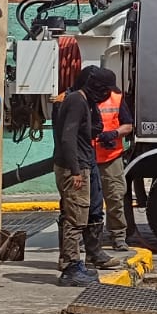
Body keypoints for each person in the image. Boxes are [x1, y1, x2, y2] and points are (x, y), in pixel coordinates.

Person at [53, 66, 117, 286]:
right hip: (75, 167)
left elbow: (87, 130)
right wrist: (76, 170)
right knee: (75, 218)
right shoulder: (76, 101)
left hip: (81, 164)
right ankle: (71, 268)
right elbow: (67, 138)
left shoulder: (82, 102)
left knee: (80, 215)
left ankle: (75, 264)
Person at [86, 83, 135, 252]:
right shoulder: (82, 99)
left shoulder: (116, 98)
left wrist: (113, 134)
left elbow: (128, 126)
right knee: (87, 201)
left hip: (111, 158)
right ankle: (88, 238)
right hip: (88, 158)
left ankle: (118, 236)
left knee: (115, 197)